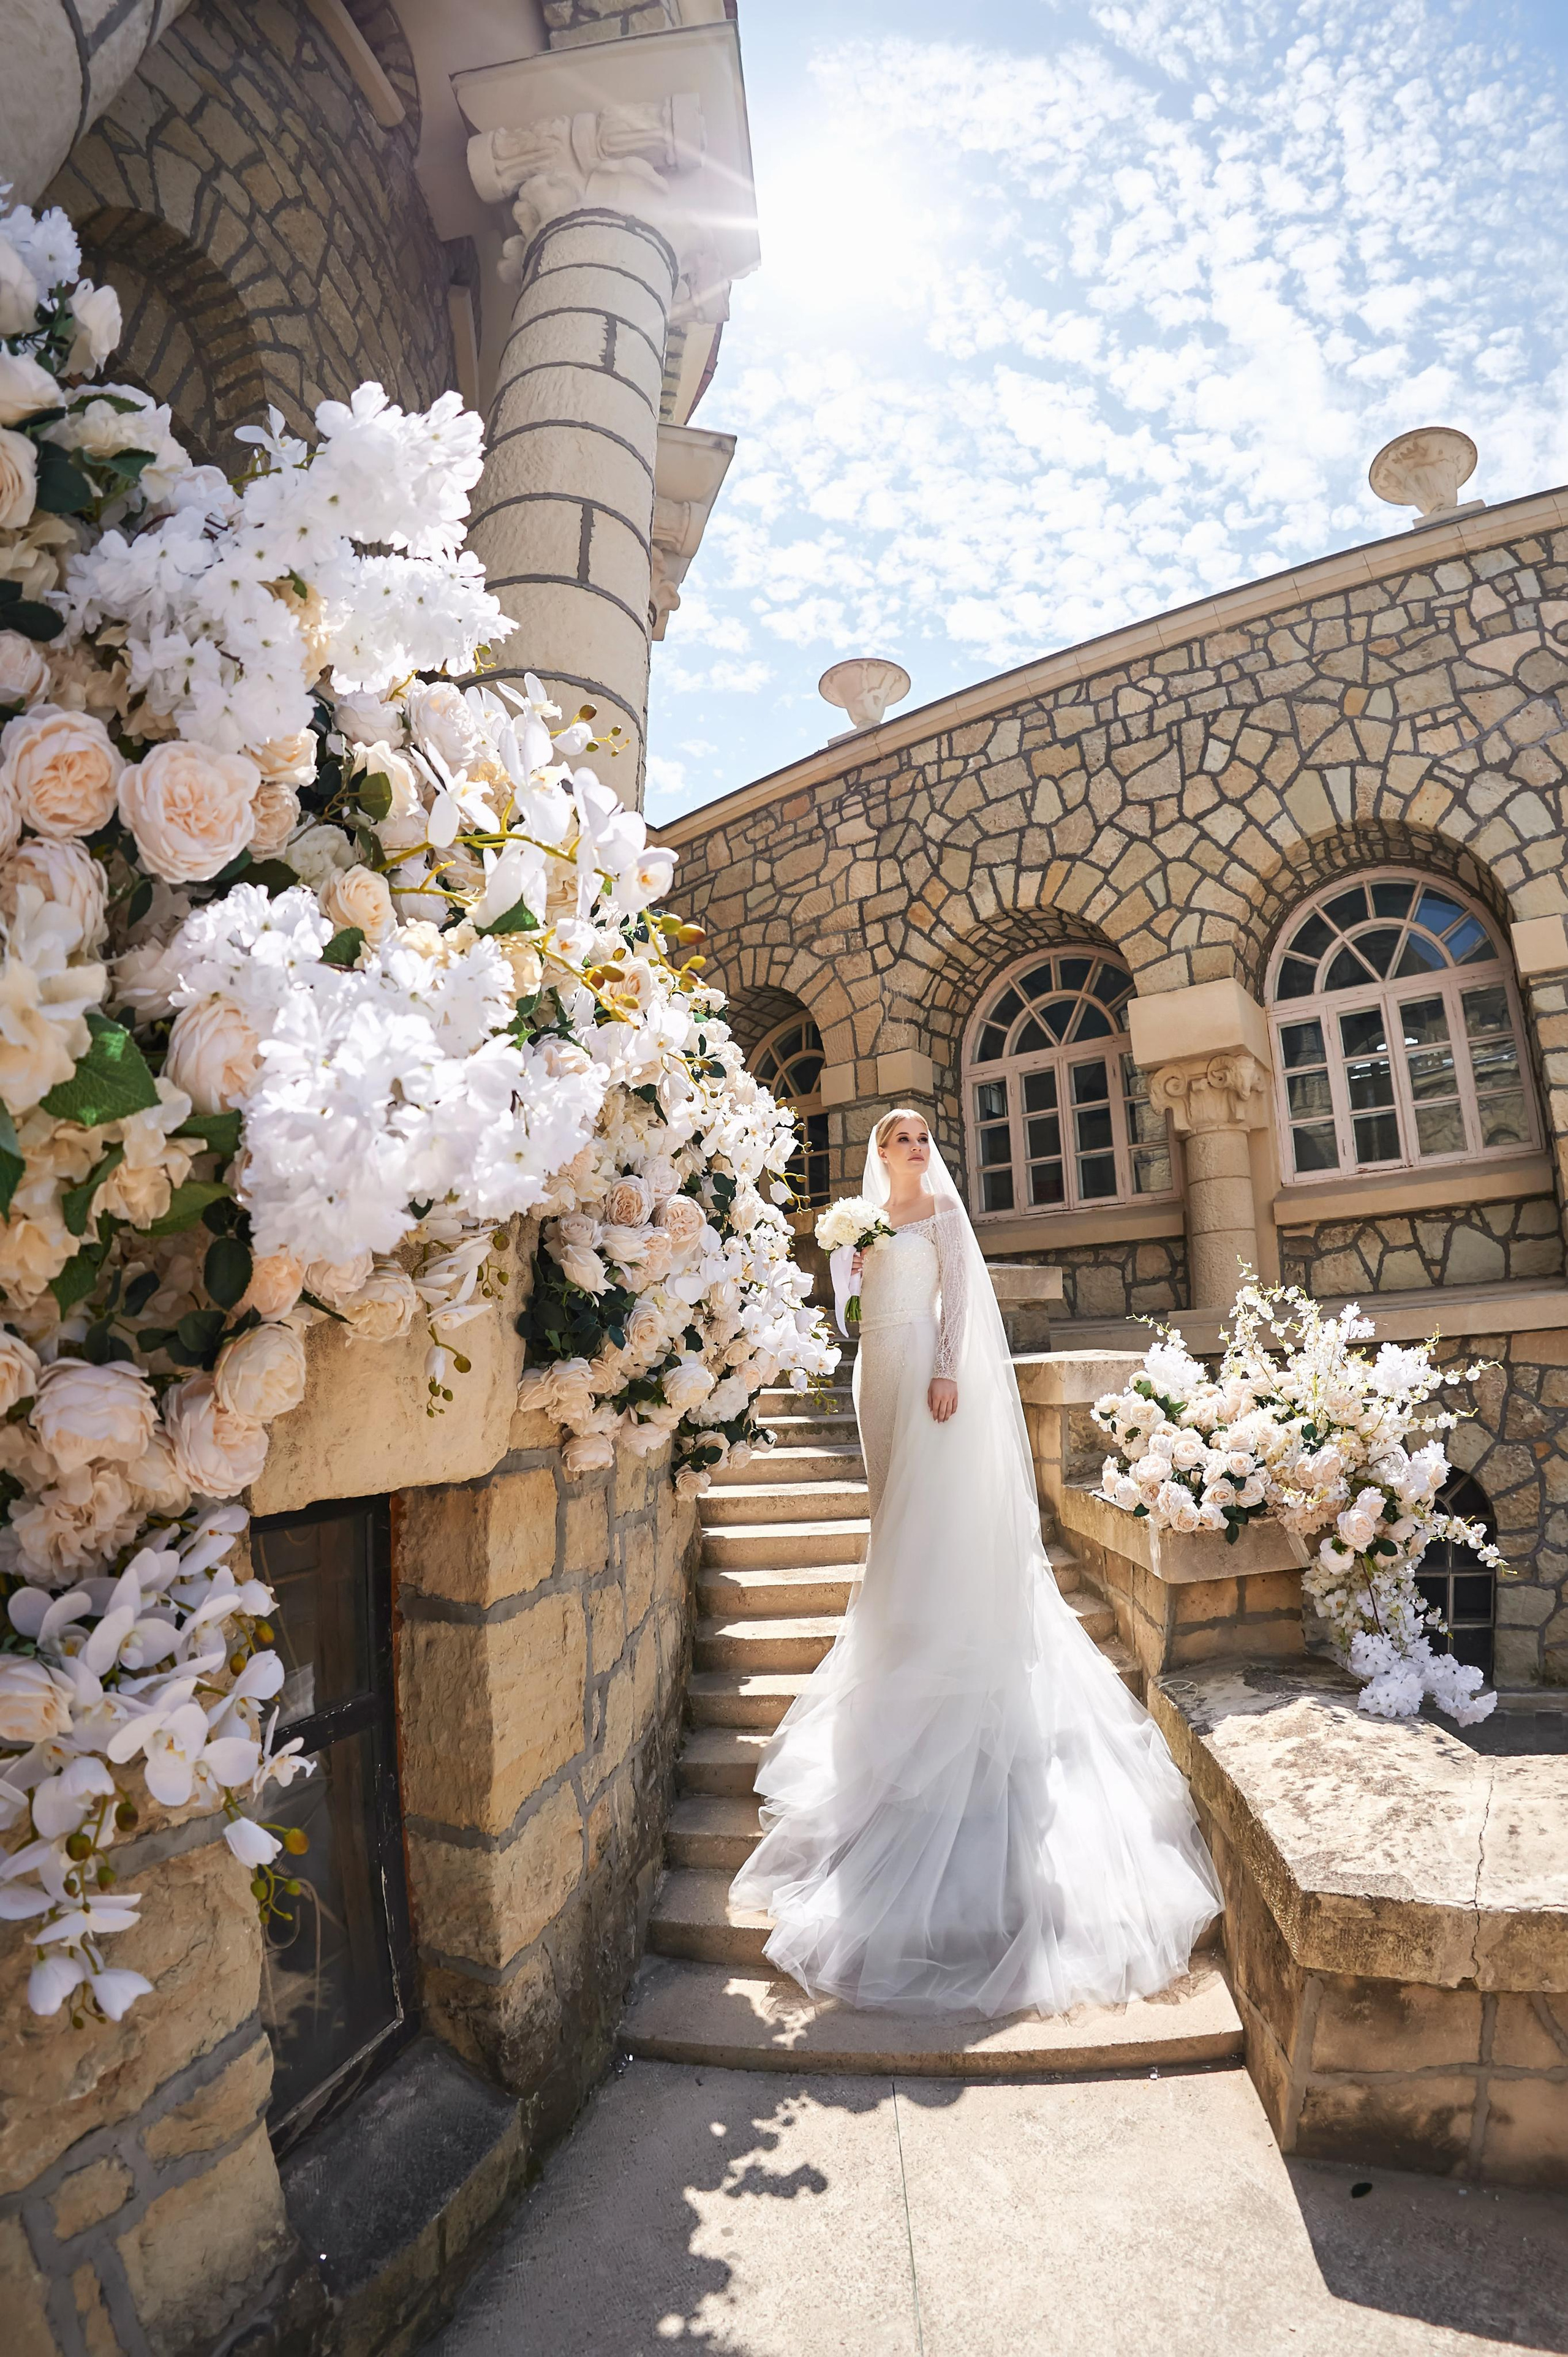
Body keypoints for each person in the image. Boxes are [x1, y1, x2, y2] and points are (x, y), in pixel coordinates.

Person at [729, 1108, 1222, 2018]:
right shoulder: (862, 1225)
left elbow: (956, 1300)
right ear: (879, 1155)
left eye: (922, 1138)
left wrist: (947, 1369)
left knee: (930, 1515)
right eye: (899, 1140)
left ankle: (943, 1637)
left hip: (926, 1369)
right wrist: (848, 1274)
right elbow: (848, 1315)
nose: (914, 1148)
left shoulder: (947, 1220)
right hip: (876, 1368)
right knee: (893, 1515)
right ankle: (902, 1625)